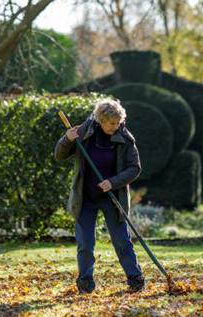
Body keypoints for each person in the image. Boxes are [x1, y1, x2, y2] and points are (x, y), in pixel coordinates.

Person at [54, 98, 145, 294]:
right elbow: (59, 155)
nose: (116, 126)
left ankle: (135, 279)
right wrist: (66, 139)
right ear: (101, 120)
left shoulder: (125, 138)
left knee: (122, 240)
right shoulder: (84, 131)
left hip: (112, 197)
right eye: (112, 123)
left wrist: (113, 182)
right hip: (85, 197)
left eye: (118, 123)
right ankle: (85, 282)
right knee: (85, 243)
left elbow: (134, 168)